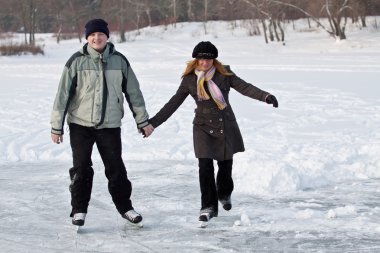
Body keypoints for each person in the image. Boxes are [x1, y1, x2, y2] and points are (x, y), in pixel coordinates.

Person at [148, 41, 278, 223]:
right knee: (205, 166)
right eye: (201, 59)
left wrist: (265, 96)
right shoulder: (189, 79)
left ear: (214, 59)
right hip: (202, 126)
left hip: (225, 123)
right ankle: (208, 206)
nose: (205, 63)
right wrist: (153, 123)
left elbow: (245, 87)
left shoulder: (224, 73)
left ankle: (224, 193)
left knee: (225, 166)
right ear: (196, 59)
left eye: (208, 59)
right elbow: (173, 103)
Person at [50, 18, 154, 227]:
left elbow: (134, 93)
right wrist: (56, 126)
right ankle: (79, 210)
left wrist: (142, 121)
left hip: (110, 125)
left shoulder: (120, 61)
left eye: (101, 34)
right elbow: (62, 96)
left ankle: (125, 207)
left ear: (107, 36)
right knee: (81, 168)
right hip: (80, 124)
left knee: (116, 167)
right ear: (87, 38)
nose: (97, 38)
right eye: (92, 35)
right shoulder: (75, 61)